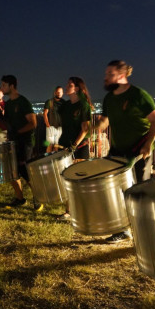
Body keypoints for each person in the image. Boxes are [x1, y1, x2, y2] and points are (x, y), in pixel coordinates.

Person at [95, 60, 155, 243]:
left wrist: (148, 144)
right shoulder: (109, 98)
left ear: (122, 76)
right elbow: (104, 120)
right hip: (117, 149)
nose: (105, 77)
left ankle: (147, 231)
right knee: (115, 190)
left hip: (140, 149)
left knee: (141, 191)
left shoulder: (138, 95)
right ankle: (123, 229)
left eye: (110, 74)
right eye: (106, 73)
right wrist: (96, 127)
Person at [0, 75, 41, 210]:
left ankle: (39, 197)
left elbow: (33, 123)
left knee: (25, 170)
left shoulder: (23, 102)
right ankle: (20, 198)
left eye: (4, 85)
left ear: (11, 86)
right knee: (11, 171)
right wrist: (0, 115)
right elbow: (8, 122)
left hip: (26, 142)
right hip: (13, 142)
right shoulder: (9, 103)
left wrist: (18, 133)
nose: (2, 88)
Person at [55, 77, 92, 220]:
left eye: (69, 85)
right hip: (65, 146)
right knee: (67, 180)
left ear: (76, 88)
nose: (66, 86)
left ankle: (85, 211)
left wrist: (74, 145)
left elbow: (85, 129)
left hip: (79, 146)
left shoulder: (83, 105)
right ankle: (69, 212)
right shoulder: (66, 106)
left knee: (80, 181)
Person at [43, 86, 65, 153]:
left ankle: (54, 160)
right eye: (58, 92)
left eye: (60, 92)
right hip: (51, 126)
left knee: (56, 146)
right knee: (49, 145)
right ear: (55, 92)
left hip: (60, 127)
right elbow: (45, 113)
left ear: (62, 93)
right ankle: (47, 160)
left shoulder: (64, 102)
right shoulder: (49, 102)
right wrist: (47, 125)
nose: (59, 93)